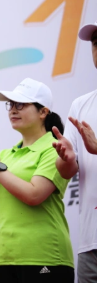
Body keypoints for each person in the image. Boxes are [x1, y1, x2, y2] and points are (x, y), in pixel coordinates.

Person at [0, 78, 74, 283]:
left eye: (20, 104)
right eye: (10, 104)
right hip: (4, 257)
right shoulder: (5, 155)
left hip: (45, 256)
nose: (13, 110)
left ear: (43, 112)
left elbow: (34, 195)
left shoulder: (54, 148)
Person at [52, 22, 97, 283]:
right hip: (91, 241)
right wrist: (66, 158)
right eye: (95, 43)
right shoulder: (81, 105)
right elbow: (66, 171)